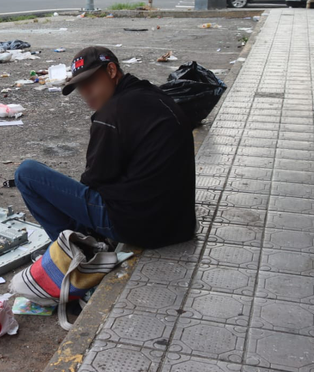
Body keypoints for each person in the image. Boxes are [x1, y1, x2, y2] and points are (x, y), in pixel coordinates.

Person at [15, 46, 197, 248]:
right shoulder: (155, 94)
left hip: (139, 228)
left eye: (90, 82)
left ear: (111, 71)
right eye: (80, 87)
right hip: (180, 225)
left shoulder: (111, 115)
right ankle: (84, 236)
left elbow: (95, 179)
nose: (86, 93)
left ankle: (78, 249)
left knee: (27, 173)